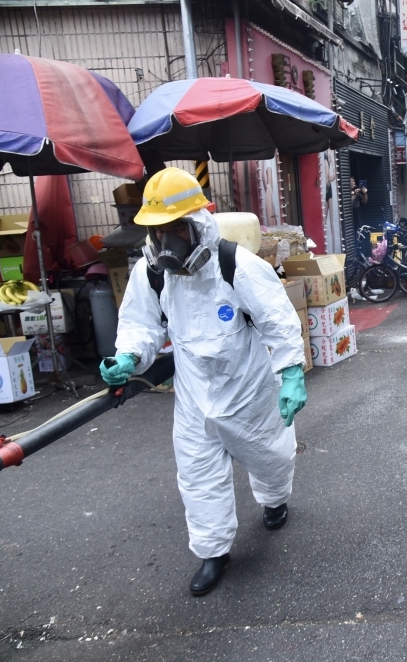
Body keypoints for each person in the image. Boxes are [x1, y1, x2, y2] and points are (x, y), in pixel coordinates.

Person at [100, 168, 307, 597]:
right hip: (194, 396)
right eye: (158, 232)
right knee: (197, 474)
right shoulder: (152, 272)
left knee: (271, 456)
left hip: (247, 390)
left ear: (196, 223)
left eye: (175, 229)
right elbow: (141, 324)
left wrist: (290, 374)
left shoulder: (236, 265)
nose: (167, 242)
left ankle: (274, 499)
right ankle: (213, 552)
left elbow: (279, 322)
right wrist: (127, 356)